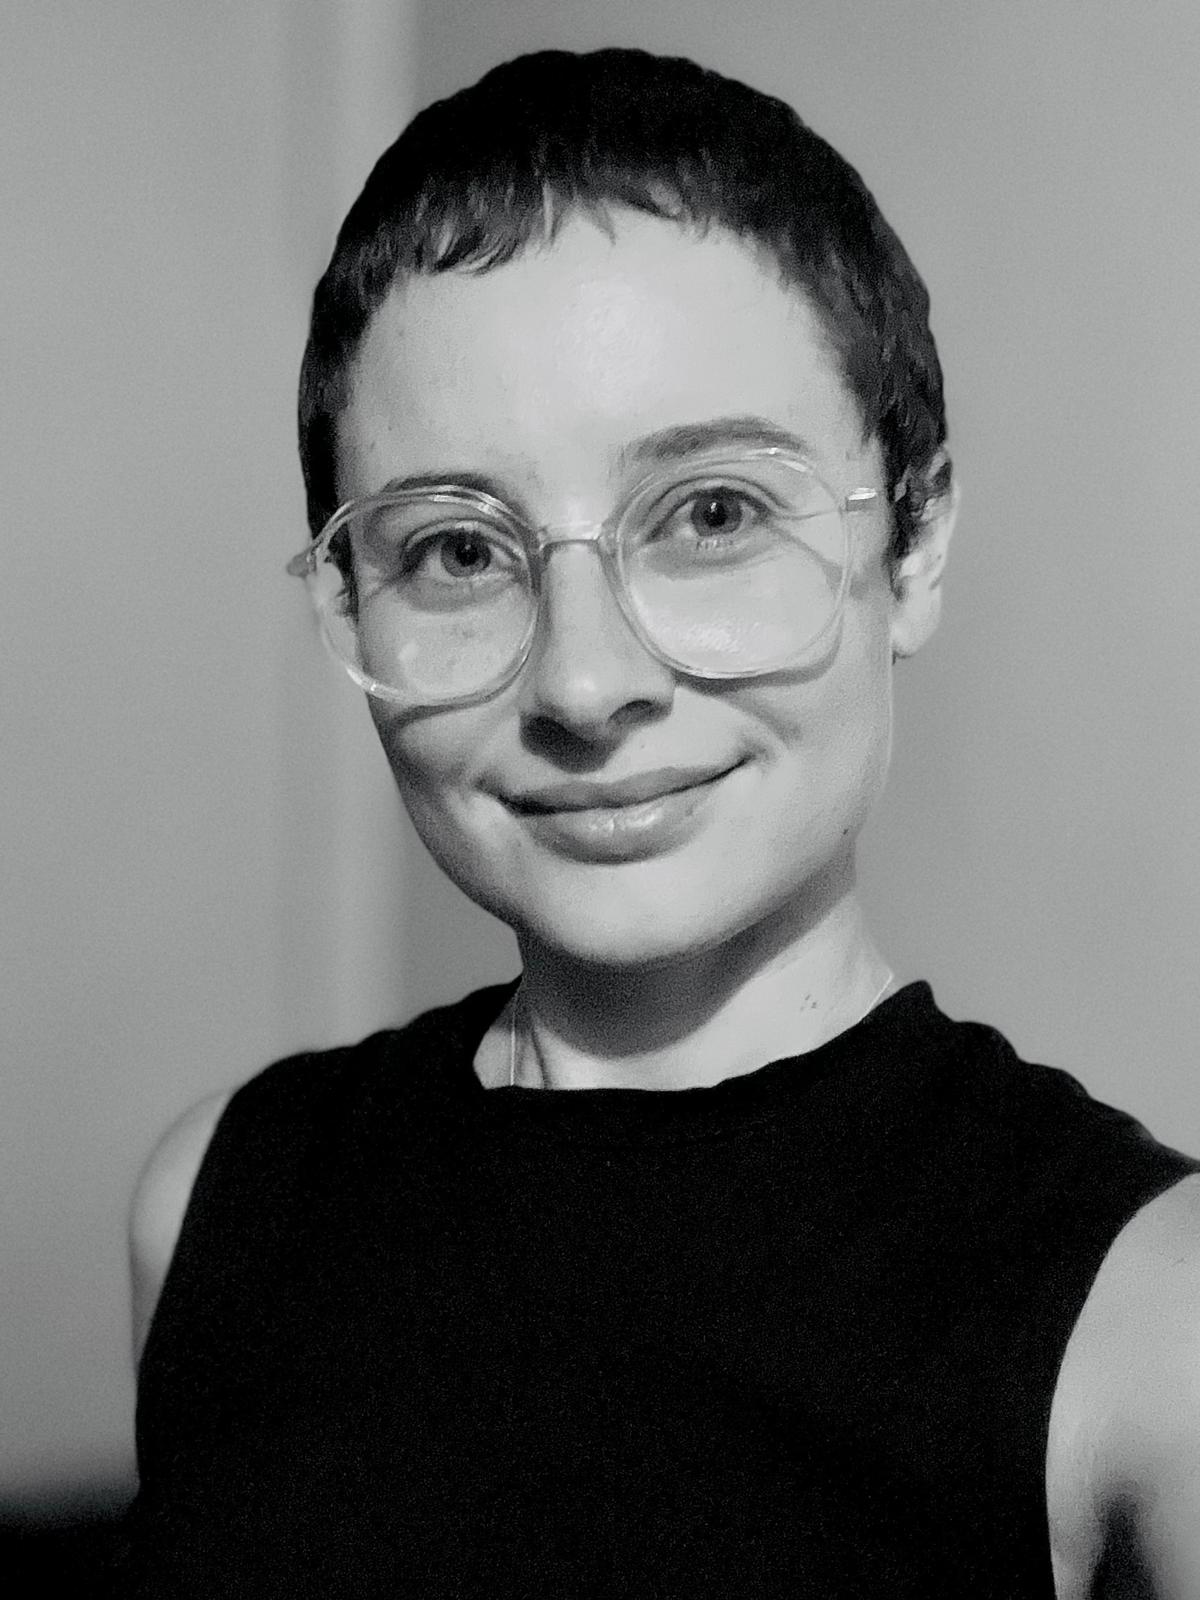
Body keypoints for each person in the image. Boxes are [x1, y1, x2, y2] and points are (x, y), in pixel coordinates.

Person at [119, 47, 1200, 1599]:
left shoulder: (1149, 1335)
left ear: (915, 546)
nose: (583, 679)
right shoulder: (218, 1201)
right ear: (349, 599)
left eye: (710, 515)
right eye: (453, 548)